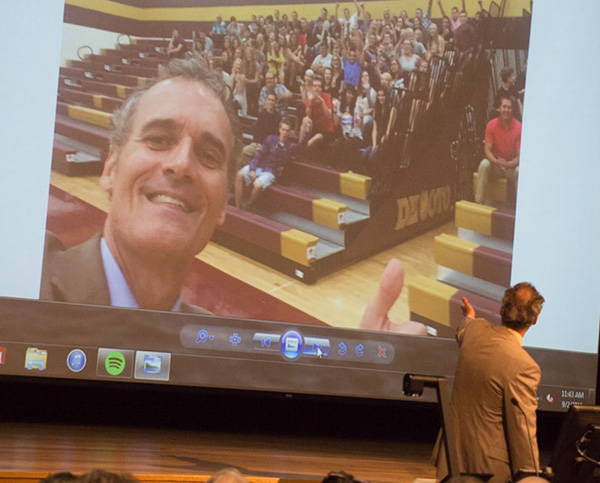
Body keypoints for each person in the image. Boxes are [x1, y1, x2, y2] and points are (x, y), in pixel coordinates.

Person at [40, 58, 241, 312]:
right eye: (158, 139)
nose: (181, 165)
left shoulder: (218, 344)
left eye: (209, 156)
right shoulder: (26, 274)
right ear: (111, 167)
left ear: (223, 203)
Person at [437, 283, 545, 483]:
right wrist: (531, 477)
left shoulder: (475, 330)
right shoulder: (524, 366)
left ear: (502, 310)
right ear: (535, 319)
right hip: (489, 471)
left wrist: (469, 314)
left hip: (452, 460)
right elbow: (523, 429)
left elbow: (464, 328)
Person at [234, 118, 313, 209]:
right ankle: (238, 207)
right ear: (279, 130)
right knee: (239, 175)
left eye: (287, 130)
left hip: (270, 172)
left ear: (289, 132)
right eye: (283, 129)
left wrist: (307, 132)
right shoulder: (270, 139)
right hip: (260, 166)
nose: (285, 132)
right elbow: (259, 154)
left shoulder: (289, 146)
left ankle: (248, 205)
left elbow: (301, 147)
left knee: (257, 186)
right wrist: (252, 169)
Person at [475, 95, 521, 205]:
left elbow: (520, 156)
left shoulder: (519, 128)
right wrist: (497, 162)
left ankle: (521, 209)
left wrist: (509, 164)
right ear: (499, 108)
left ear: (512, 109)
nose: (506, 110)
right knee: (484, 164)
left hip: (511, 167)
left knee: (520, 171)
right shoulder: (491, 125)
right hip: (496, 165)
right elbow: (487, 150)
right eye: (504, 107)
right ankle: (478, 204)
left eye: (509, 107)